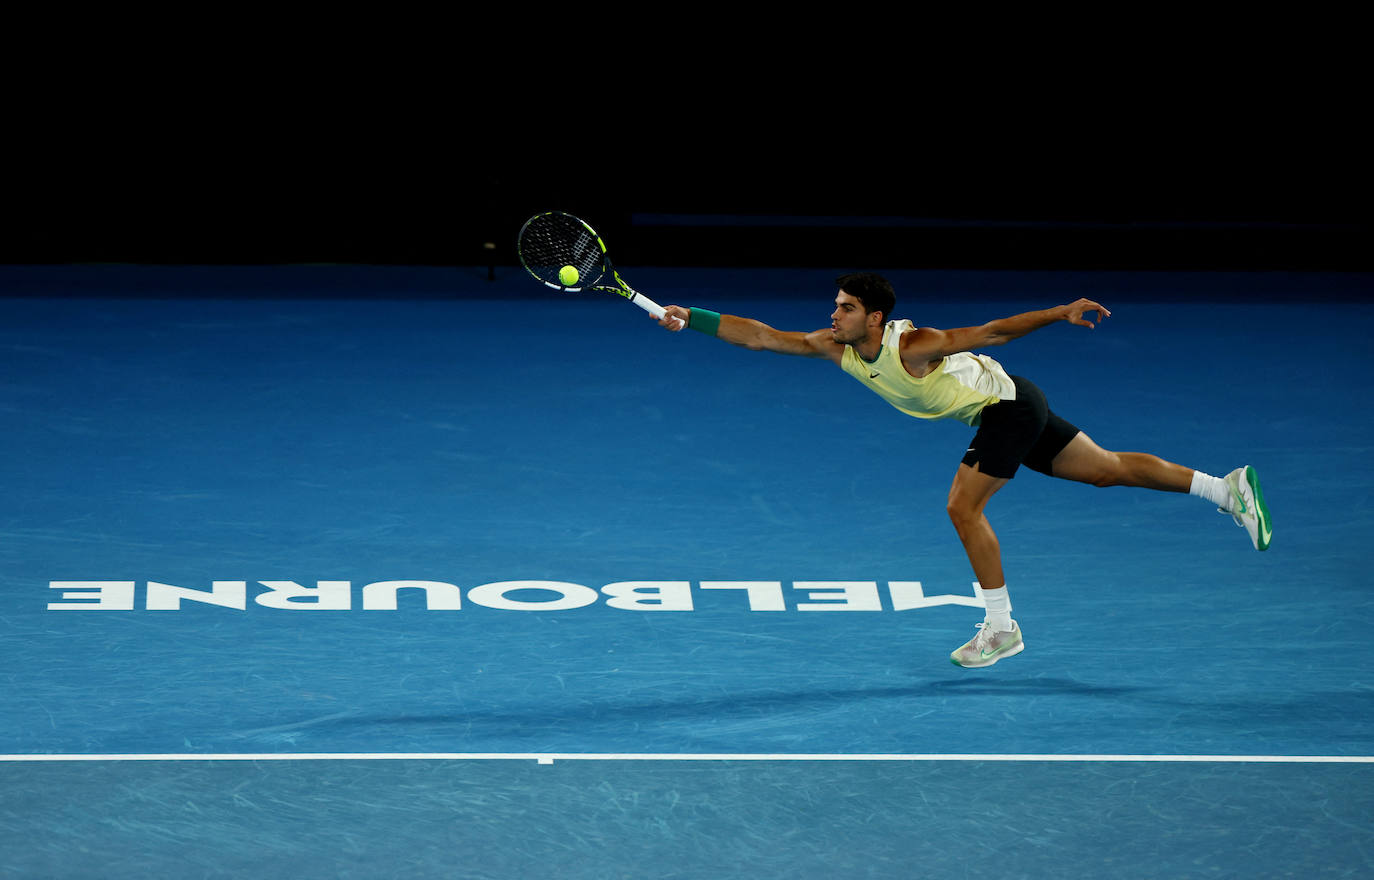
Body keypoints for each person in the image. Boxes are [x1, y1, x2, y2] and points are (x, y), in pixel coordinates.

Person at [655, 272, 1271, 668]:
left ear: (875, 318)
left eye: (845, 308)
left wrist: (1059, 312)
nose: (833, 315)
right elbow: (762, 336)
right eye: (834, 306)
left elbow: (992, 331)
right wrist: (696, 318)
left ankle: (1000, 627)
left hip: (1006, 407)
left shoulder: (912, 345)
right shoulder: (835, 347)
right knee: (1106, 469)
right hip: (1005, 406)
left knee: (961, 507)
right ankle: (1225, 490)